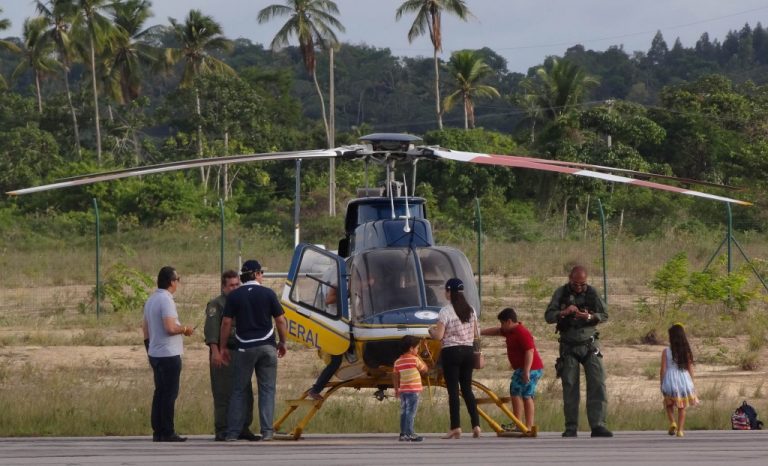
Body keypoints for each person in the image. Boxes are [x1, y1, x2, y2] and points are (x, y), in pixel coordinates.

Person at [220, 260, 288, 442]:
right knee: (267, 389)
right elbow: (281, 320)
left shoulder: (235, 296)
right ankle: (267, 431)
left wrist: (223, 347)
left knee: (238, 390)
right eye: (262, 273)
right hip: (267, 346)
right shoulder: (268, 293)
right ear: (257, 274)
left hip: (244, 348)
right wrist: (283, 342)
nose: (263, 276)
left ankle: (233, 433)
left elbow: (226, 323)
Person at [545, 266, 612, 438]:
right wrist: (564, 312)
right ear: (569, 279)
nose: (579, 287)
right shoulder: (560, 293)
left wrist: (588, 317)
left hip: (590, 345)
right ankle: (571, 427)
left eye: (583, 284)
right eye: (576, 284)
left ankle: (598, 425)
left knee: (598, 383)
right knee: (570, 386)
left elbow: (604, 314)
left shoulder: (592, 293)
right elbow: (548, 316)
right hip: (568, 346)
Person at [141, 266, 194, 442]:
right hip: (168, 354)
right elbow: (170, 327)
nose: (178, 282)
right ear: (172, 282)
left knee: (160, 393)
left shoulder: (151, 299)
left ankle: (158, 431)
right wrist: (185, 329)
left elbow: (145, 328)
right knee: (170, 393)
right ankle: (168, 431)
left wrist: (149, 349)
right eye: (177, 279)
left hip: (156, 352)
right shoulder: (166, 300)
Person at [203, 270, 257, 441]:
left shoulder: (242, 302)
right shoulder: (216, 304)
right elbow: (212, 331)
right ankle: (222, 428)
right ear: (223, 287)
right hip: (223, 352)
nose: (235, 288)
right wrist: (216, 352)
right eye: (231, 285)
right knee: (223, 391)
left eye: (237, 284)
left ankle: (243, 427)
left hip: (241, 352)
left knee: (245, 391)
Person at [428, 278, 481, 439]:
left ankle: (455, 426)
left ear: (449, 291)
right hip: (468, 351)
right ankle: (476, 425)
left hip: (451, 352)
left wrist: (430, 330)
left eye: (446, 290)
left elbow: (439, 336)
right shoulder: (470, 310)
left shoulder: (445, 311)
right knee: (467, 390)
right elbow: (475, 334)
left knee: (453, 391)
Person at [480, 307, 544, 430]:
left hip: (531, 368)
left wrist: (526, 371)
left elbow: (529, 351)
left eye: (502, 323)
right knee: (519, 392)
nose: (501, 326)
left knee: (524, 394)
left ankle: (525, 425)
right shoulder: (509, 331)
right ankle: (519, 423)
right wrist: (479, 332)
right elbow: (497, 331)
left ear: (509, 321)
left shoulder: (521, 332)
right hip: (523, 368)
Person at [306, 267, 342, 401]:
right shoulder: (339, 280)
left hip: (344, 325)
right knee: (335, 361)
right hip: (336, 325)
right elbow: (328, 300)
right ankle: (316, 389)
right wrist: (347, 293)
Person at [660, 323, 699, 437]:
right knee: (682, 406)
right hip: (683, 379)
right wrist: (691, 383)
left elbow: (663, 369)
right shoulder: (686, 351)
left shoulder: (666, 351)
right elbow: (690, 368)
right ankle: (680, 430)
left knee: (668, 404)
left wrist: (662, 383)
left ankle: (672, 422)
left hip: (670, 379)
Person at [392, 335, 428, 442]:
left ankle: (403, 434)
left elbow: (394, 376)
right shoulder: (415, 360)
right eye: (417, 348)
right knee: (411, 412)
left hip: (403, 391)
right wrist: (421, 358)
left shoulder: (398, 362)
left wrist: (396, 389)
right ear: (412, 349)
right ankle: (410, 433)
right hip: (413, 391)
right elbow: (425, 370)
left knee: (404, 411)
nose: (418, 350)